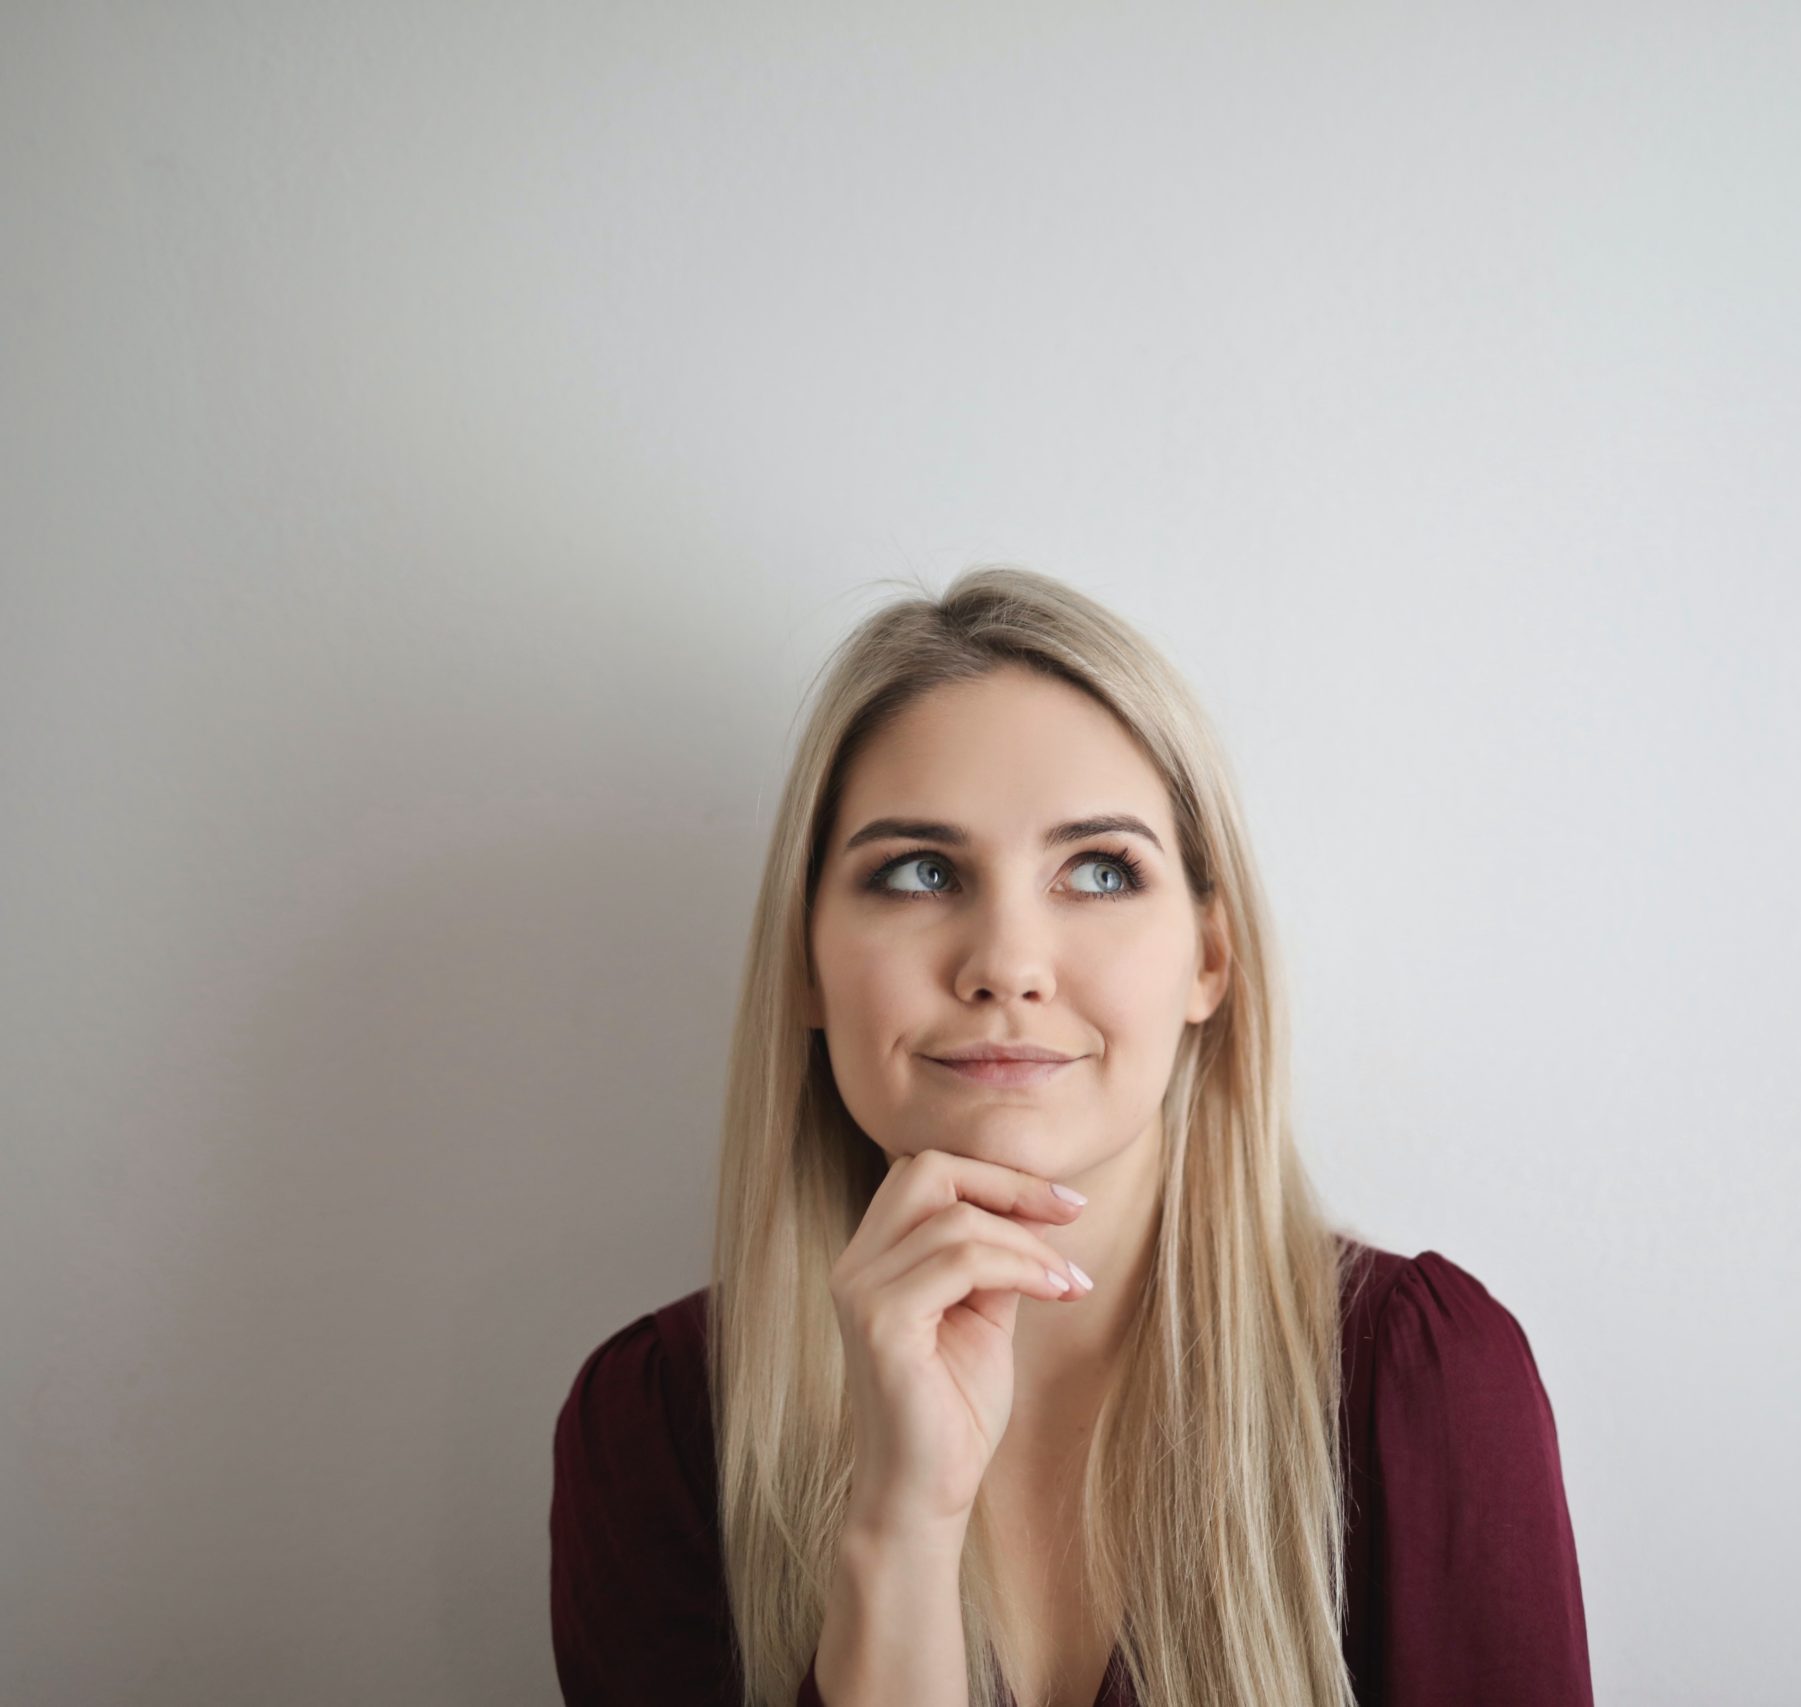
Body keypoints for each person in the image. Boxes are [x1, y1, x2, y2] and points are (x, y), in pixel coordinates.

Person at [549, 566, 1592, 1706]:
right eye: (918, 872)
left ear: (1208, 958)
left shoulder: (1420, 1382)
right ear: (805, 961)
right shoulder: (655, 1428)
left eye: (1099, 871)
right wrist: (898, 1537)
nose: (1005, 962)